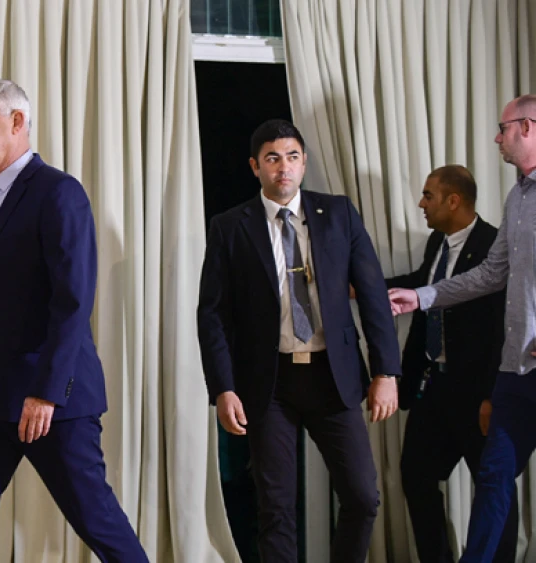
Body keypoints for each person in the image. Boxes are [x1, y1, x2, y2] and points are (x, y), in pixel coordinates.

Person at [0, 79, 148, 563]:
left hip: (53, 402)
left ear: (17, 122)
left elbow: (73, 300)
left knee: (99, 524)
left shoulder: (59, 193)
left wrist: (47, 392)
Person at [197, 119, 401, 563]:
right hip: (268, 386)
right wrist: (223, 388)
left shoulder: (339, 214)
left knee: (364, 497)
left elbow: (371, 296)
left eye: (291, 157)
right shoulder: (231, 226)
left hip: (335, 378)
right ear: (255, 166)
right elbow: (211, 314)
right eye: (272, 159)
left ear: (304, 162)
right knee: (276, 509)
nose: (283, 168)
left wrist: (386, 371)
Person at [389, 94, 536, 563]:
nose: (497, 137)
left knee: (492, 482)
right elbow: (491, 275)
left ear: (528, 127)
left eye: (503, 127)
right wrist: (421, 296)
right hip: (514, 374)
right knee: (494, 480)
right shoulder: (517, 197)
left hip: (496, 379)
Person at [386, 165, 512, 563]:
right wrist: (368, 289)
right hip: (434, 386)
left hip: (478, 393)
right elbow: (424, 285)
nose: (422, 204)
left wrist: (493, 396)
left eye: (428, 195)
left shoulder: (495, 245)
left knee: (492, 486)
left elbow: (500, 331)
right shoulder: (436, 243)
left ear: (453, 200)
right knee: (416, 475)